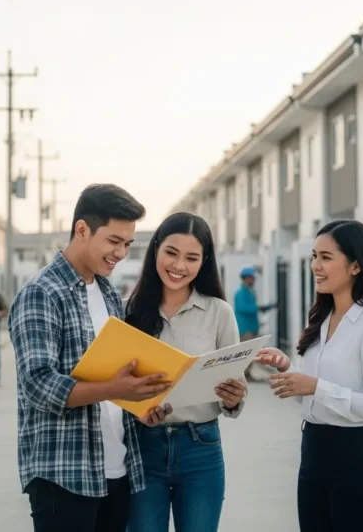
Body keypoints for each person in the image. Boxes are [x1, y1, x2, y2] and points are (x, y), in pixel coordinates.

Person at [8, 183, 172, 532]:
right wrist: (114, 388)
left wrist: (143, 401)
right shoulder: (41, 293)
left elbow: (116, 378)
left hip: (116, 470)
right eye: (114, 241)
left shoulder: (108, 292)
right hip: (64, 475)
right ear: (82, 229)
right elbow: (38, 385)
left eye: (128, 244)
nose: (121, 253)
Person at [255, 220, 363, 532]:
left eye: (326, 257)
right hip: (313, 458)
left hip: (356, 463)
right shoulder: (321, 321)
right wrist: (286, 368)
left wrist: (317, 387)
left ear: (355, 266)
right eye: (313, 256)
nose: (315, 266)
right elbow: (309, 393)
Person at [125, 212, 247, 532]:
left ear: (203, 262)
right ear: (155, 250)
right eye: (171, 253)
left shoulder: (220, 313)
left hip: (201, 450)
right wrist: (137, 412)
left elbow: (234, 388)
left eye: (191, 258)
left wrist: (233, 399)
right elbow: (113, 387)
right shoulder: (128, 311)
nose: (179, 266)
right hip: (142, 449)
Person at [233, 266, 274, 380]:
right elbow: (243, 308)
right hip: (245, 328)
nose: (254, 280)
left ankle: (246, 374)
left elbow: (254, 308)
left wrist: (265, 307)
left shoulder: (251, 292)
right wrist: (258, 308)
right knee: (245, 353)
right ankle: (242, 376)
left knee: (251, 352)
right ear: (246, 278)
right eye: (252, 278)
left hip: (252, 327)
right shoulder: (240, 293)